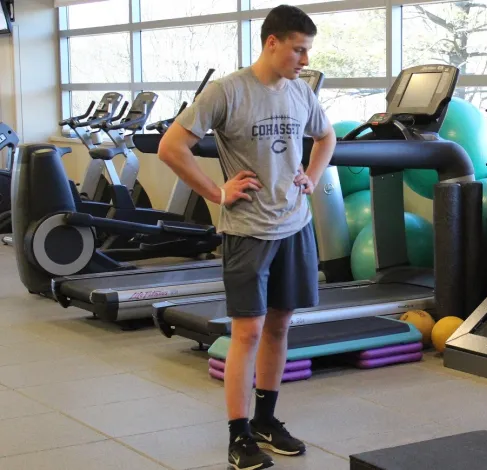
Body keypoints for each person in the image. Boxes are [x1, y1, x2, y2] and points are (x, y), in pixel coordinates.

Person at [158, 5, 336, 470]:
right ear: (272, 42)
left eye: (308, 51)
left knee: (279, 326)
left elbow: (326, 136)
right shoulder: (228, 92)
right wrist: (217, 191)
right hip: (247, 231)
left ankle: (266, 420)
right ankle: (239, 435)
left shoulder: (300, 93)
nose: (304, 59)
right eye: (298, 49)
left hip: (295, 225)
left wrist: (312, 176)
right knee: (249, 331)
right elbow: (170, 147)